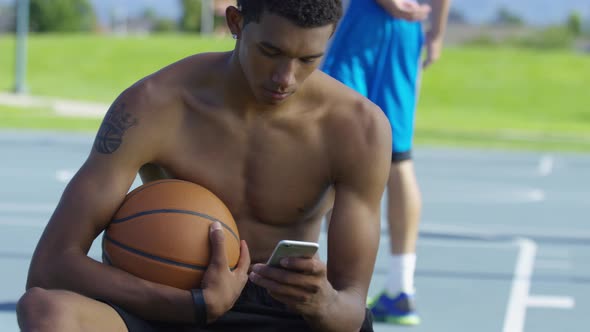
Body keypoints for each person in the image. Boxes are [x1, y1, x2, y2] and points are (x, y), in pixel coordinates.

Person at [16, 1, 393, 332]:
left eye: (308, 59)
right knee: (46, 311)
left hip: (282, 310)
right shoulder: (154, 105)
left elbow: (351, 309)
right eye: (269, 50)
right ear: (235, 23)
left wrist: (323, 302)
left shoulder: (359, 128)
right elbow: (51, 264)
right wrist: (191, 305)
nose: (285, 77)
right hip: (166, 299)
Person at [322, 0, 451, 326]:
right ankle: (401, 287)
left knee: (336, 154)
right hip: (407, 28)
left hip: (363, 23)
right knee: (398, 157)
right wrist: (436, 33)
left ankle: (341, 284)